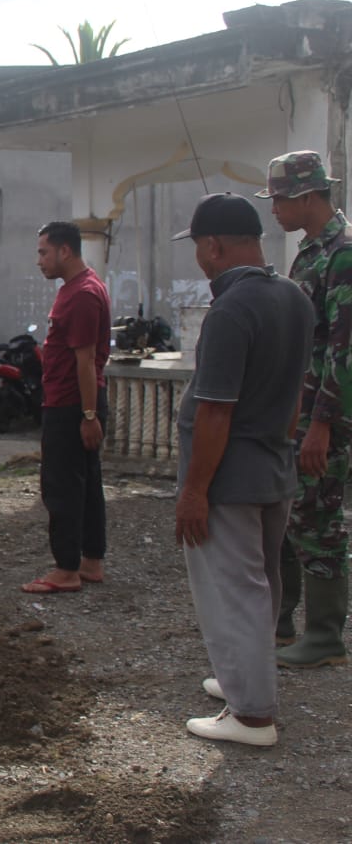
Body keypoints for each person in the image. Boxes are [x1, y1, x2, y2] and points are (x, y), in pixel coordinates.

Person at [173, 192, 314, 746]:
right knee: (263, 583)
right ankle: (244, 679)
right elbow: (297, 391)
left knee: (233, 589)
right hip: (272, 467)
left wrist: (194, 491)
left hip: (229, 477)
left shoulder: (232, 309)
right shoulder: (292, 296)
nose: (200, 259)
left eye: (199, 249)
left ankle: (252, 714)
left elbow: (215, 410)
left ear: (213, 245)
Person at [256, 150, 352, 669]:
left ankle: (325, 636)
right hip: (300, 412)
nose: (273, 210)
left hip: (325, 417)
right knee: (293, 518)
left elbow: (344, 350)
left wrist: (321, 425)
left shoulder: (343, 254)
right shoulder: (311, 252)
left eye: (279, 200)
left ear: (307, 196)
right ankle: (284, 621)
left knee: (320, 520)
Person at [21, 221, 112, 594]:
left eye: (44, 252)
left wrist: (88, 415)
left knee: (61, 486)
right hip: (75, 402)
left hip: (72, 404)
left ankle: (66, 568)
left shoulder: (81, 295)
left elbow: (86, 360)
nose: (39, 260)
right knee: (86, 483)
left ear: (65, 251)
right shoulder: (80, 289)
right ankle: (90, 561)